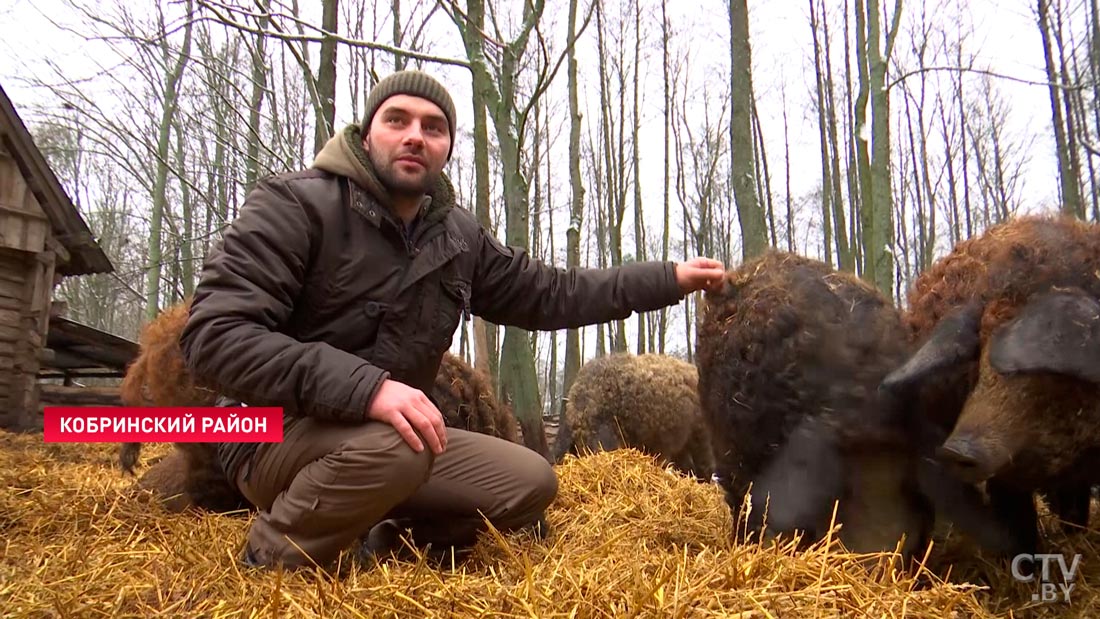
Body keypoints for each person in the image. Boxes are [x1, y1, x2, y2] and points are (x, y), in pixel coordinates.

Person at [178, 69, 726, 572]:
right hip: (270, 432)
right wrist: (368, 390)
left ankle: (383, 535)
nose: (415, 135)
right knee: (398, 445)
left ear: (446, 148)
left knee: (529, 482)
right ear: (367, 134)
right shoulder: (294, 205)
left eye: (434, 127)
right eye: (398, 120)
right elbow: (214, 337)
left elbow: (553, 293)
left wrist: (668, 278)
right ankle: (271, 558)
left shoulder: (456, 236)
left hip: (388, 441)